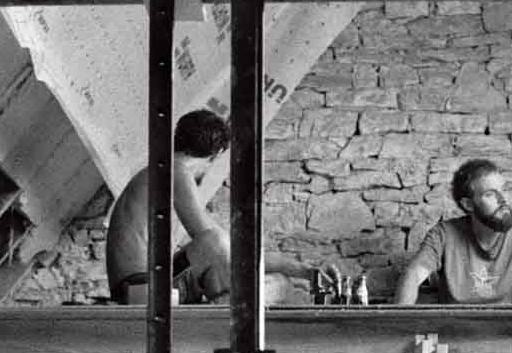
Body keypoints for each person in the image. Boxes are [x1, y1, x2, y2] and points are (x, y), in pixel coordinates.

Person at [105, 107, 346, 306]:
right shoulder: (176, 173)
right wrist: (293, 270)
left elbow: (228, 251)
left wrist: (301, 269)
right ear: (217, 153)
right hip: (140, 287)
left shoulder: (163, 170)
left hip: (141, 282)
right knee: (223, 247)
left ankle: (241, 309)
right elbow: (218, 246)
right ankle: (235, 325)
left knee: (272, 278)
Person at [393, 158, 512, 307]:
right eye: (490, 194)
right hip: (455, 337)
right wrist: (399, 328)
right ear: (468, 204)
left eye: (504, 190)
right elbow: (413, 275)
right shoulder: (443, 235)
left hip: (511, 338)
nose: (504, 200)